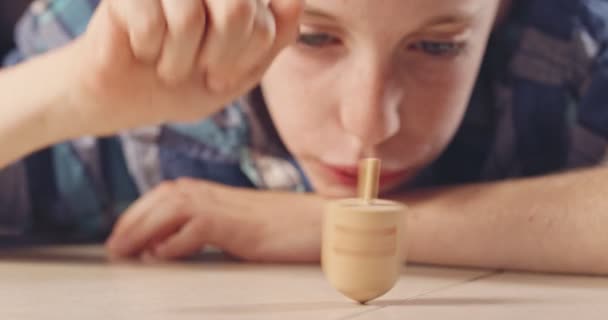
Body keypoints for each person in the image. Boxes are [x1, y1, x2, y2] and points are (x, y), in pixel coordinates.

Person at [1, 0, 608, 274]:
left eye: (438, 46)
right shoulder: (122, 35)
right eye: (315, 38)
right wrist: (72, 96)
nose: (369, 124)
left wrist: (318, 223)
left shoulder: (571, 44)